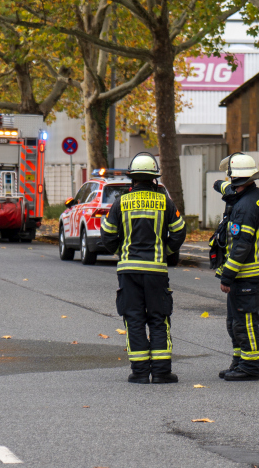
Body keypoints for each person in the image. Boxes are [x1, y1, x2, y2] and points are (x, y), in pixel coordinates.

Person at [101, 152, 186, 384]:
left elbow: (107, 236)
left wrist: (123, 250)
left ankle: (139, 373)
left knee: (134, 319)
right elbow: (179, 231)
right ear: (154, 179)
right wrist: (165, 251)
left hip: (129, 272)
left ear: (133, 178)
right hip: (156, 271)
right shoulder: (165, 202)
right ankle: (160, 373)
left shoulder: (121, 203)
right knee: (158, 318)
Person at [212, 152, 259, 382]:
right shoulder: (252, 194)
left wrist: (227, 276)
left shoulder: (245, 207)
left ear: (237, 179)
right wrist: (220, 185)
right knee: (234, 321)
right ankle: (239, 361)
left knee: (244, 320)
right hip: (245, 274)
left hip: (245, 274)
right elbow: (229, 190)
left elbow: (242, 245)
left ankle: (250, 366)